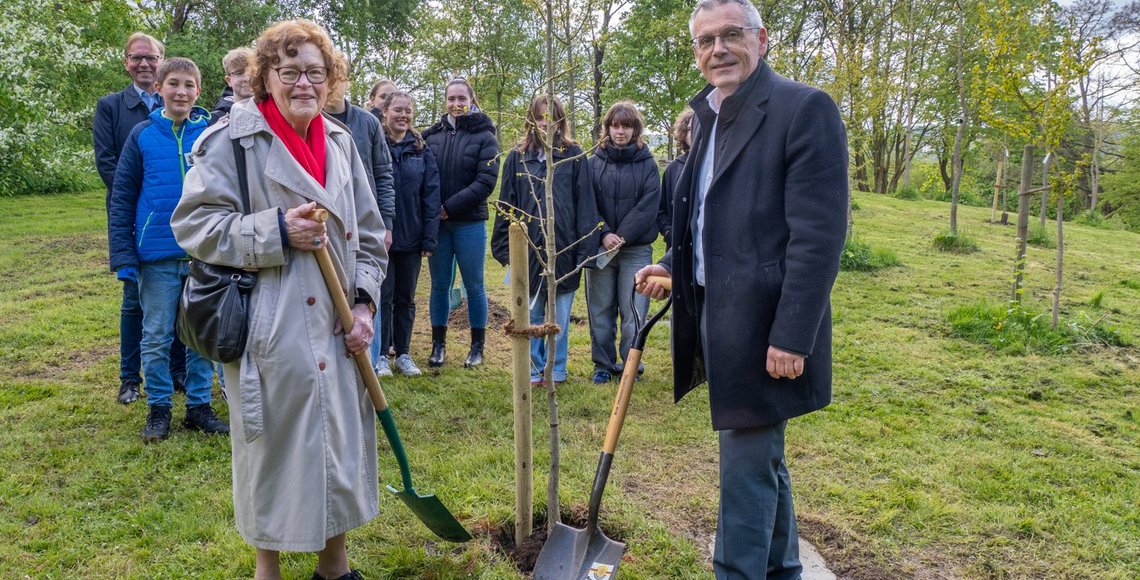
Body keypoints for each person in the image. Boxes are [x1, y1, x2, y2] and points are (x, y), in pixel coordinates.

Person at [635, 1, 848, 578]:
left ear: (763, 38)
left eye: (731, 35)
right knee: (761, 461)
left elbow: (818, 237)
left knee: (745, 467)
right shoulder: (708, 113)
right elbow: (713, 218)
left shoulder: (803, 109)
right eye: (705, 41)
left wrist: (792, 335)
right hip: (717, 313)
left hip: (766, 324)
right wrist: (676, 269)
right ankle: (782, 571)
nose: (718, 50)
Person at [171, 19, 387, 580]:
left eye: (315, 72)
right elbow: (194, 225)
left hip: (337, 325)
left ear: (330, 79)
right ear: (265, 76)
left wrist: (362, 304)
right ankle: (267, 570)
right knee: (270, 450)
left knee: (337, 441)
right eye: (289, 71)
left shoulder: (341, 143)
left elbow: (367, 232)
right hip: (271, 322)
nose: (303, 84)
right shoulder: (231, 142)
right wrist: (274, 232)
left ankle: (333, 568)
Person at [107, 57, 229, 442]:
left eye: (189, 85)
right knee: (157, 335)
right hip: (157, 256)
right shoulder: (142, 135)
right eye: (173, 84)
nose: (181, 92)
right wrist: (124, 255)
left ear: (199, 91)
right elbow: (123, 197)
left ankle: (198, 406)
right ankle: (158, 407)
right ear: (158, 87)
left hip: (203, 254)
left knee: (199, 336)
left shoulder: (211, 135)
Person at [94, 32, 188, 404]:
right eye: (137, 58)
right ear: (126, 62)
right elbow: (107, 161)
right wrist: (139, 199)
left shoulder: (178, 103)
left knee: (177, 299)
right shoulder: (112, 106)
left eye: (151, 58)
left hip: (173, 221)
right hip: (136, 216)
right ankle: (130, 377)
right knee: (136, 300)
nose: (144, 64)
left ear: (162, 61)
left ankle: (176, 370)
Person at [491, 95, 598, 385]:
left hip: (564, 246)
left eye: (551, 118)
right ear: (530, 121)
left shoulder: (574, 155)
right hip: (527, 247)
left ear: (560, 121)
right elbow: (506, 204)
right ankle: (534, 370)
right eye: (539, 117)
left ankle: (557, 369)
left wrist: (585, 250)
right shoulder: (517, 157)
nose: (544, 123)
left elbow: (585, 202)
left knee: (559, 314)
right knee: (531, 312)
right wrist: (503, 247)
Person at [422, 77, 499, 368]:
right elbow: (425, 179)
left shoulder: (486, 137)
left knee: (474, 284)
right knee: (440, 285)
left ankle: (477, 347)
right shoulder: (432, 137)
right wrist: (435, 211)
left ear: (471, 100)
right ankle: (438, 345)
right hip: (438, 226)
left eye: (461, 99)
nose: (456, 105)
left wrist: (448, 208)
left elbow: (485, 181)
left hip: (469, 222)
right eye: (451, 99)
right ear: (445, 102)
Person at [323, 77, 397, 376]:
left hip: (364, 222)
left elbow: (384, 174)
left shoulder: (367, 123)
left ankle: (374, 358)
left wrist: (386, 223)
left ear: (344, 80)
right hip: (327, 224)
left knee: (366, 289)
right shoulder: (309, 121)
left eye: (333, 77)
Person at [585, 101, 661, 384]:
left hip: (636, 250)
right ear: (607, 129)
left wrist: (622, 236)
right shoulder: (593, 164)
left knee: (634, 311)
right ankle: (603, 365)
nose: (620, 131)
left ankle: (631, 365)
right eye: (615, 126)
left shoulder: (648, 165)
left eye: (626, 126)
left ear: (635, 129)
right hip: (601, 248)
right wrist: (604, 232)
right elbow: (587, 203)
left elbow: (649, 205)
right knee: (600, 309)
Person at [377, 91, 441, 377]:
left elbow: (431, 194)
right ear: (385, 112)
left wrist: (429, 237)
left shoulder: (421, 149)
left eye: (408, 111)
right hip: (381, 236)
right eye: (397, 110)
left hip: (413, 236)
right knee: (382, 296)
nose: (403, 115)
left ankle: (403, 353)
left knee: (406, 297)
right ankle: (380, 354)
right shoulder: (375, 145)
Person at [658, 108, 694, 249]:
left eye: (699, 127)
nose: (694, 133)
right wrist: (669, 232)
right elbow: (661, 211)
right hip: (677, 247)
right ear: (683, 133)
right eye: (690, 128)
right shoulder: (673, 168)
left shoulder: (716, 166)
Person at [210, 47, 255, 123]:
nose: (247, 79)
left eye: (252, 72)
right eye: (239, 73)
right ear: (229, 80)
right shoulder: (216, 118)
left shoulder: (272, 111)